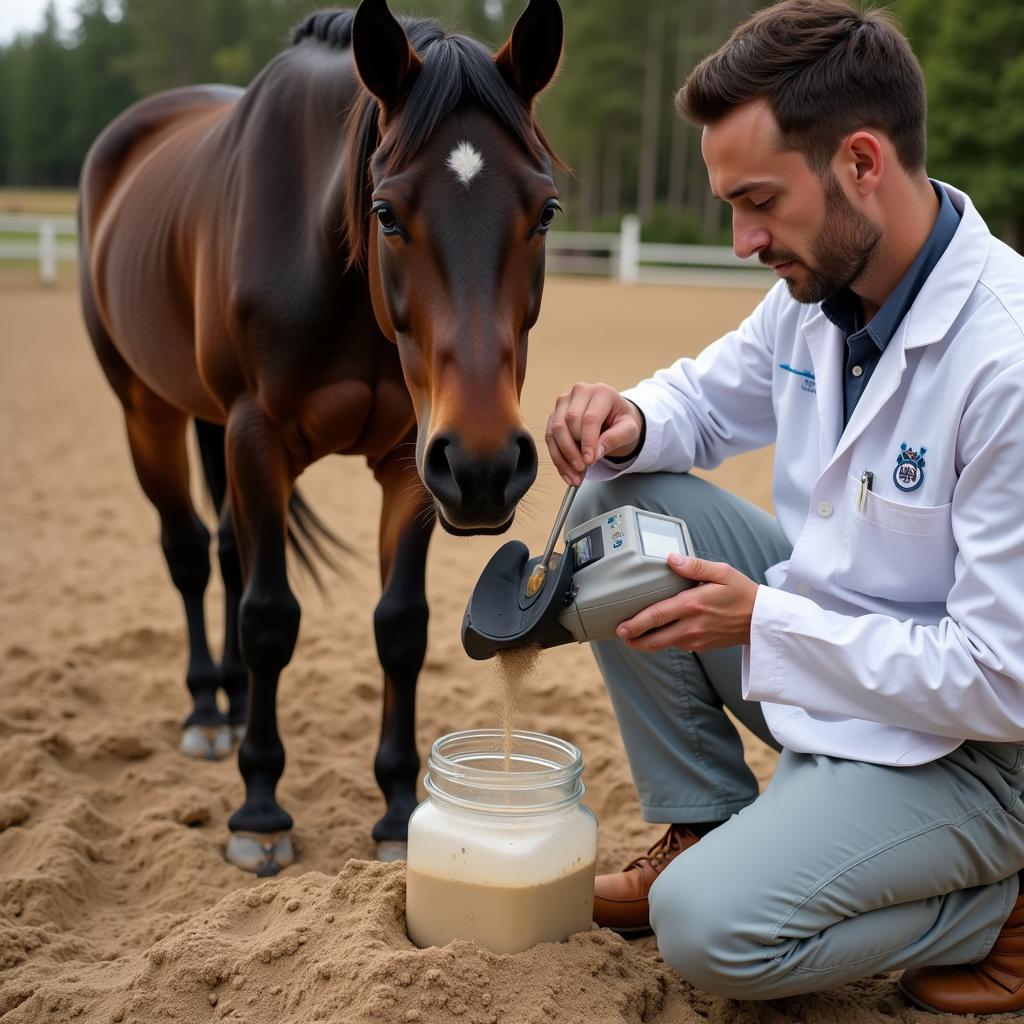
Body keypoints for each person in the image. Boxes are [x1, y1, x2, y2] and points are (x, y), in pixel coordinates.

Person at [544, 0, 1024, 1013]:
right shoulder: (817, 291)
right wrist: (625, 416)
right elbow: (701, 399)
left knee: (707, 931)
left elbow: (1002, 683)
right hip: (844, 669)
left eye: (757, 201)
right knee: (613, 501)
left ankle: (1001, 904)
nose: (739, 239)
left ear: (860, 162)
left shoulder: (1006, 361)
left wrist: (766, 622)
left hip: (980, 756)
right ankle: (707, 822)